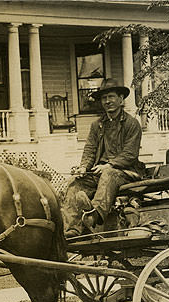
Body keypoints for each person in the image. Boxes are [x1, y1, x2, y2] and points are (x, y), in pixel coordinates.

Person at [62, 78, 146, 238]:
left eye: (111, 97)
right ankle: (72, 229)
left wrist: (110, 165)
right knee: (75, 183)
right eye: (104, 98)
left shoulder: (132, 124)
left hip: (127, 173)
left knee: (109, 174)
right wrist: (83, 167)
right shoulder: (97, 125)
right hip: (99, 173)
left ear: (121, 99)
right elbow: (90, 150)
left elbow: (130, 154)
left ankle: (94, 215)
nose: (107, 101)